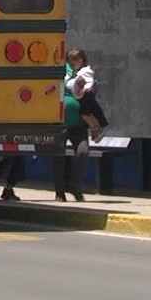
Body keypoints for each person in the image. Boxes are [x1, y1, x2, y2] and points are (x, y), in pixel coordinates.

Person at [52, 54, 90, 202]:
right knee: (58, 156)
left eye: (80, 60)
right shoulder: (64, 71)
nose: (78, 62)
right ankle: (59, 191)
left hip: (79, 124)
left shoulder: (86, 73)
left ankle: (75, 185)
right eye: (75, 60)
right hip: (62, 123)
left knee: (83, 152)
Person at [66, 48, 108, 143]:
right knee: (89, 114)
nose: (72, 66)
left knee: (84, 114)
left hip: (86, 97)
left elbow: (89, 82)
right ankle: (96, 130)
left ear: (80, 61)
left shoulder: (85, 71)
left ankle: (95, 129)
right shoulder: (77, 72)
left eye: (73, 64)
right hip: (83, 97)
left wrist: (85, 90)